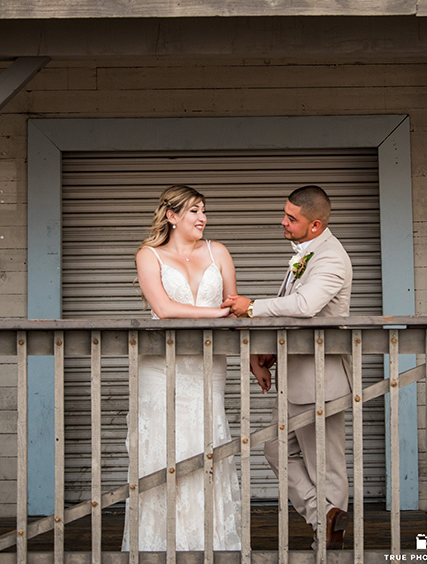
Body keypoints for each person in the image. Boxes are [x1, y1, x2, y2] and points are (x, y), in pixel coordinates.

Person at [122, 184, 270, 552]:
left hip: (208, 366)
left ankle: (211, 544)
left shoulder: (218, 251)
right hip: (160, 369)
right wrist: (217, 313)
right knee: (162, 448)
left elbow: (236, 311)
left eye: (204, 210)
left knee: (207, 444)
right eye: (193, 210)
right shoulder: (148, 256)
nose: (202, 217)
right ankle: (158, 547)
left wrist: (253, 359)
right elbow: (165, 307)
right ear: (171, 216)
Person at [222, 185, 352, 550]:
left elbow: (307, 304)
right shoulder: (309, 252)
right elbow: (299, 316)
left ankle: (330, 540)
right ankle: (324, 517)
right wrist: (271, 352)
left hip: (319, 380)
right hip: (297, 375)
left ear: (315, 225)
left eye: (291, 218)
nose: (283, 222)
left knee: (325, 465)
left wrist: (251, 308)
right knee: (276, 449)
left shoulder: (330, 258)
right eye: (285, 213)